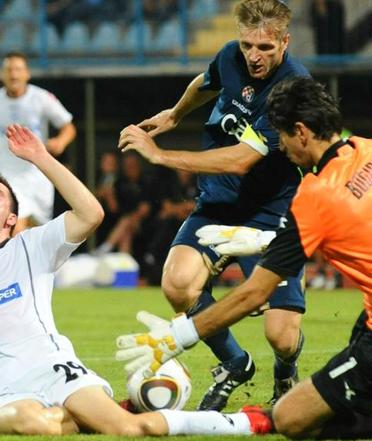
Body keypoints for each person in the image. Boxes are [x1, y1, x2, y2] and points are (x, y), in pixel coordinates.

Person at [117, 77, 372, 438]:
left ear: (302, 132)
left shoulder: (316, 196)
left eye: (281, 137)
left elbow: (254, 294)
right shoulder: (371, 150)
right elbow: (359, 222)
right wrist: (262, 238)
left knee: (291, 417)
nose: (281, 148)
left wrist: (179, 337)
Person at [0, 124, 271, 437]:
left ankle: (243, 423)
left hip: (53, 368)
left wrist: (41, 157)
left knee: (129, 431)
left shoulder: (31, 246)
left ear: (11, 219)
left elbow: (91, 213)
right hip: (4, 389)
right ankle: (98, 412)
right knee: (26, 424)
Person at [118, 0, 310, 410]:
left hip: (271, 215)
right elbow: (206, 82)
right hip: (219, 204)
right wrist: (175, 114)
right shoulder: (230, 56)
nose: (254, 56)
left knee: (281, 335)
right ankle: (235, 363)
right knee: (177, 283)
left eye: (265, 48)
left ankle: (285, 369)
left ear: (285, 42)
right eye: (247, 46)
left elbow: (241, 160)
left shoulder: (293, 90)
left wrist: (160, 155)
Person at [0, 52, 77, 235]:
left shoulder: (42, 98)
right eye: (9, 70)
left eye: (18, 70)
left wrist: (60, 142)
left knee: (38, 234)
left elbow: (68, 127)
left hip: (38, 175)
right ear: (2, 75)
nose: (13, 75)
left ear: (27, 74)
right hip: (7, 174)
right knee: (15, 226)